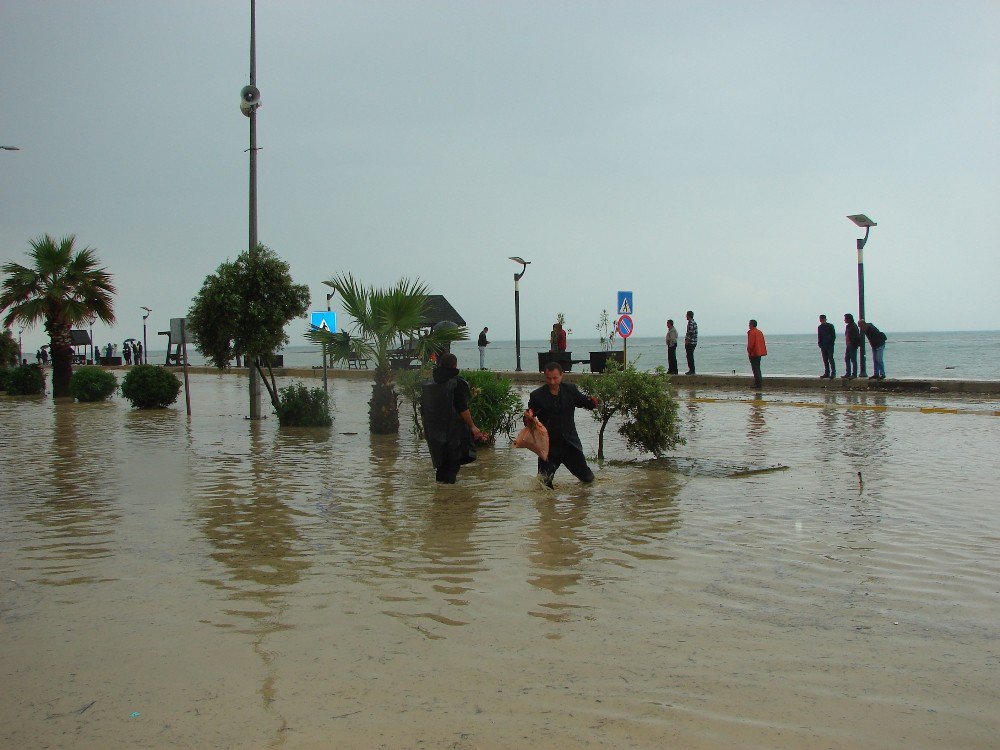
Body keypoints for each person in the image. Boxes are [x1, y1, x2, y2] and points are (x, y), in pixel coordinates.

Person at [525, 361, 598, 488]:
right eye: (549, 378)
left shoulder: (571, 390)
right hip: (548, 447)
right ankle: (547, 507)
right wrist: (528, 417)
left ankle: (583, 503)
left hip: (570, 445)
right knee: (543, 485)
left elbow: (583, 401)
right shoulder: (537, 396)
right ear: (544, 376)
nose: (552, 382)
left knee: (588, 479)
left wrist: (593, 402)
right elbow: (529, 416)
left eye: (555, 378)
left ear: (561, 375)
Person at [420, 352, 485, 484]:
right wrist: (473, 426)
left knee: (440, 465)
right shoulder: (457, 383)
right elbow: (463, 408)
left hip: (434, 430)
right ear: (454, 365)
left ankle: (440, 497)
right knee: (452, 465)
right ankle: (448, 498)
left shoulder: (428, 385)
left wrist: (425, 429)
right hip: (453, 430)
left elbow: (423, 410)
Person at [747, 319, 767, 389]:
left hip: (754, 353)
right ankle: (759, 383)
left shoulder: (752, 332)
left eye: (749, 324)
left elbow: (751, 345)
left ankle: (758, 385)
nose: (748, 325)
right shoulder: (759, 332)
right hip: (759, 353)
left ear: (752, 325)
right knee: (758, 368)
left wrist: (749, 352)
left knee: (755, 369)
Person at [843, 313, 862, 379]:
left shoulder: (854, 326)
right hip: (848, 345)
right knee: (847, 359)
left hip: (853, 345)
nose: (844, 320)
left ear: (849, 319)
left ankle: (854, 374)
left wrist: (852, 343)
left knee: (853, 360)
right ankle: (848, 373)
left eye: (845, 319)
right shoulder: (848, 326)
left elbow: (856, 337)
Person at [817, 314, 836, 378]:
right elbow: (819, 336)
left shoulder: (830, 326)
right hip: (823, 345)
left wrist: (831, 343)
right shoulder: (820, 327)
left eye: (821, 319)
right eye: (820, 319)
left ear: (825, 319)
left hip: (829, 345)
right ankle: (827, 372)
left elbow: (833, 336)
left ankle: (833, 373)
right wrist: (820, 343)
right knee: (825, 359)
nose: (820, 320)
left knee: (830, 359)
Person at [684, 310, 698, 374]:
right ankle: (692, 370)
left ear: (689, 315)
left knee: (689, 356)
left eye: (686, 315)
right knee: (690, 356)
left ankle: (692, 370)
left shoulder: (691, 322)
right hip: (694, 342)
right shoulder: (694, 322)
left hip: (691, 342)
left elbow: (691, 332)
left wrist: (687, 340)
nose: (686, 316)